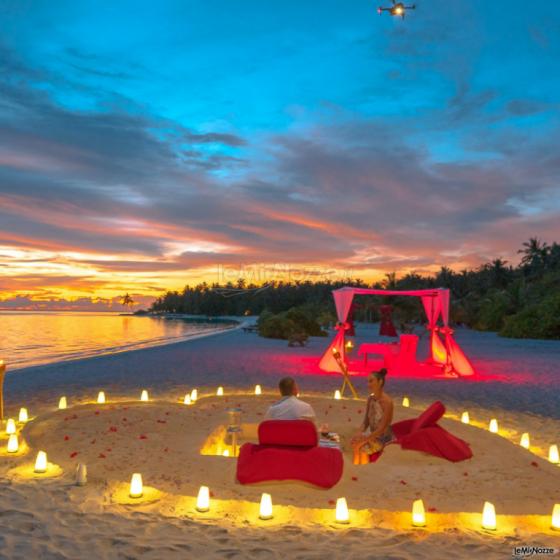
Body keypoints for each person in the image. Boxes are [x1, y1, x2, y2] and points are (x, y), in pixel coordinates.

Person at [351, 368, 394, 464]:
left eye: (371, 381)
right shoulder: (370, 399)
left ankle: (362, 468)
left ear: (380, 382)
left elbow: (382, 428)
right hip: (372, 434)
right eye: (367, 381)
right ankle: (358, 466)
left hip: (383, 438)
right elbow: (366, 421)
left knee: (361, 447)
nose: (368, 384)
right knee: (354, 441)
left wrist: (365, 439)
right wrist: (359, 432)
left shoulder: (387, 402)